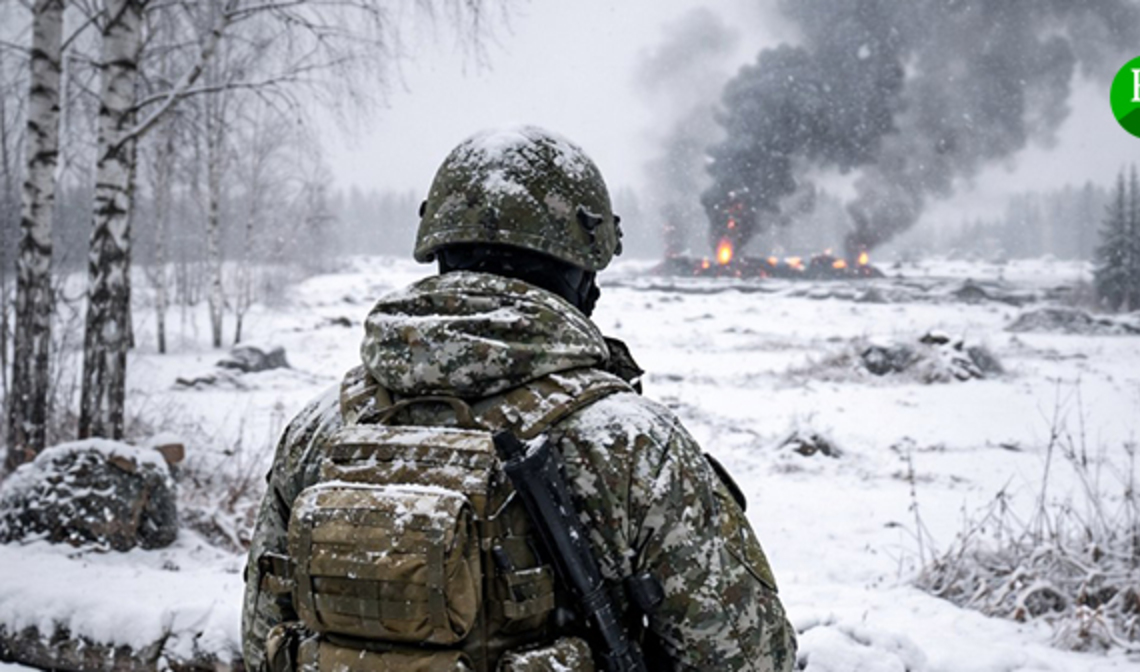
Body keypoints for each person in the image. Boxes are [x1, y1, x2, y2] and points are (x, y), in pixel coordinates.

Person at [241, 126, 796, 672]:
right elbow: (749, 657)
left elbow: (263, 636)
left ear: (439, 249)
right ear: (585, 271)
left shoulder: (322, 426)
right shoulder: (630, 442)